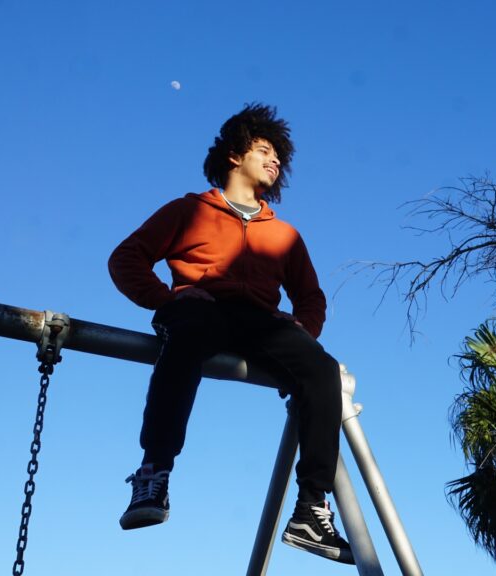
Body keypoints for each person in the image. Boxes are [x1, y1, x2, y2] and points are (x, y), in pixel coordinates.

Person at [108, 103, 353, 564]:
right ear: (234, 155)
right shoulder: (188, 210)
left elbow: (311, 297)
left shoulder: (284, 235)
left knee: (322, 371)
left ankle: (310, 510)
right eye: (264, 150)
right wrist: (165, 298)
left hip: (260, 322)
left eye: (279, 156)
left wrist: (303, 327)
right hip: (200, 309)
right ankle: (154, 472)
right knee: (186, 338)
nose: (274, 160)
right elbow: (125, 258)